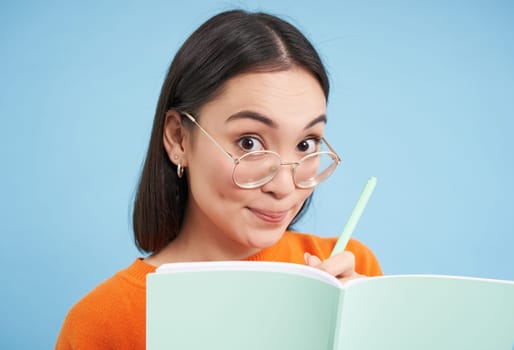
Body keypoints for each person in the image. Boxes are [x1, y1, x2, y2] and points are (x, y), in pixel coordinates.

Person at [55, 9, 382, 350]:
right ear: (178, 139)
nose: (284, 186)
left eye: (305, 144)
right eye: (249, 142)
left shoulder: (351, 275)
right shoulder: (103, 323)